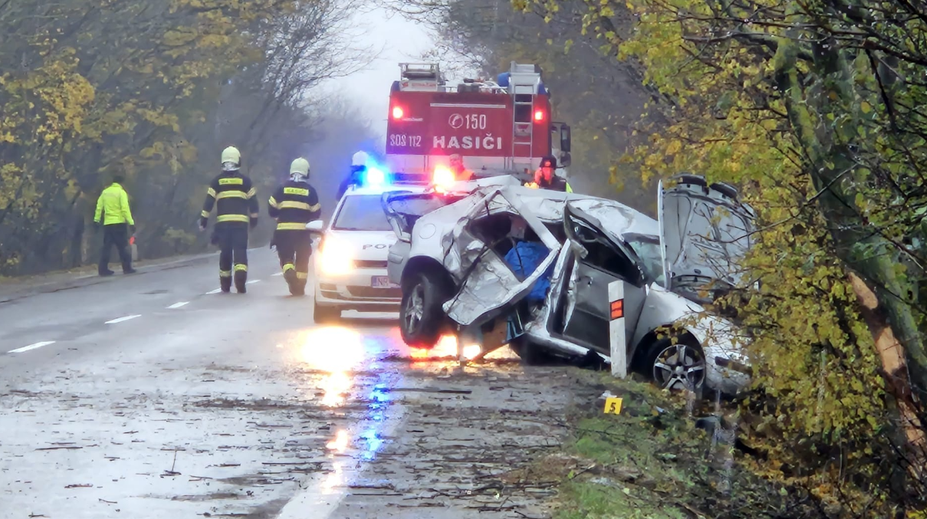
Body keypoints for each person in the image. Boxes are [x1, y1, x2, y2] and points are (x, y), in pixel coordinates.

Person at [199, 146, 259, 294]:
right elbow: (254, 204)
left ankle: (225, 285)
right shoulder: (245, 182)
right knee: (240, 251)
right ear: (238, 160)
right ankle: (240, 280)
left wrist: (203, 221)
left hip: (223, 225)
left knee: (225, 253)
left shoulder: (216, 182)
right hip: (240, 224)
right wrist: (254, 220)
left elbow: (208, 204)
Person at [268, 157, 322, 296]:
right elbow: (316, 213)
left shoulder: (281, 188)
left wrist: (277, 217)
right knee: (303, 258)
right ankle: (300, 285)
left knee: (286, 256)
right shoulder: (311, 191)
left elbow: (271, 207)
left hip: (283, 231)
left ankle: (288, 270)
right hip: (302, 232)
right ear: (306, 172)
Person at [94, 174, 137, 276]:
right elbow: (125, 209)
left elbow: (99, 207)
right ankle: (127, 268)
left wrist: (96, 220)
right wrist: (131, 223)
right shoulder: (121, 192)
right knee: (122, 247)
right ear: (121, 183)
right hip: (119, 223)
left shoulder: (105, 192)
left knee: (106, 248)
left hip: (108, 224)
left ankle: (103, 269)